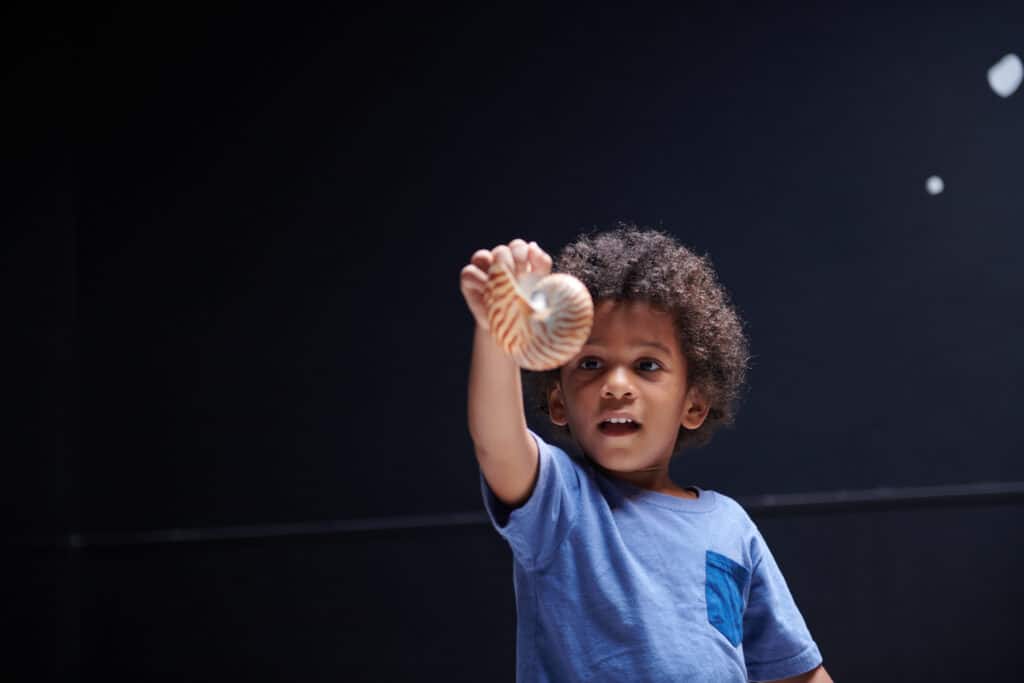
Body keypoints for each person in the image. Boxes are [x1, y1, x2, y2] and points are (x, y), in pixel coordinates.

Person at [459, 226, 833, 682]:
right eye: (591, 364)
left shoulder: (731, 526)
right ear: (559, 402)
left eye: (647, 365)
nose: (616, 385)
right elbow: (497, 442)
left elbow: (797, 672)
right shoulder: (560, 503)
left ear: (694, 404)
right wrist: (496, 329)